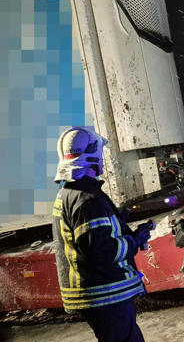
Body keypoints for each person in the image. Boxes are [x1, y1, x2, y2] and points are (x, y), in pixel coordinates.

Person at [52, 127, 151, 342]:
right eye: (100, 154)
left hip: (100, 294)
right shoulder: (87, 198)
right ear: (91, 156)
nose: (103, 160)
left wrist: (119, 221)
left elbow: (90, 238)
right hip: (105, 292)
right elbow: (101, 250)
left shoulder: (71, 192)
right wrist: (135, 240)